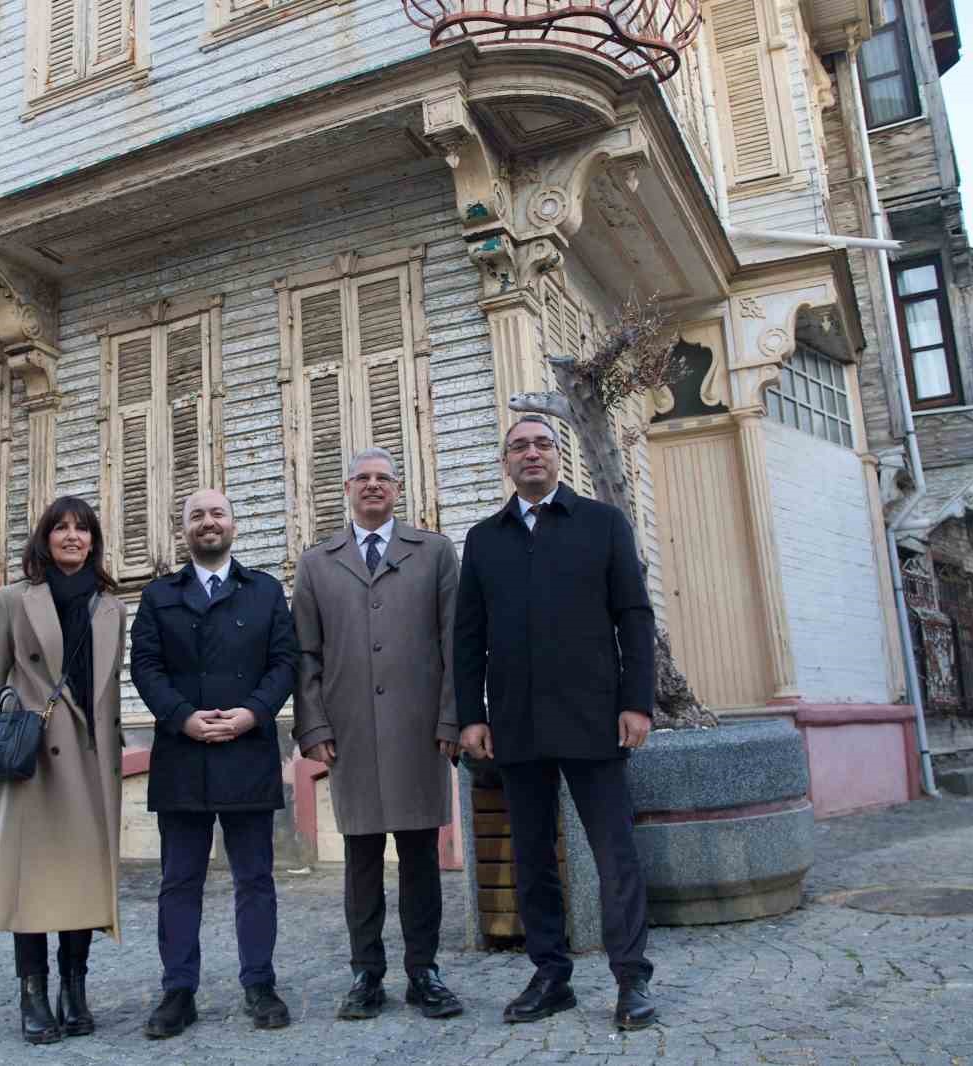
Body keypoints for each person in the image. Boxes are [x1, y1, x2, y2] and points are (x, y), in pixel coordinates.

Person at [453, 413, 658, 1031]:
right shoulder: (484, 539)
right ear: (506, 463)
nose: (532, 453)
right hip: (516, 724)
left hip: (595, 718)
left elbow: (635, 617)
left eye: (542, 443)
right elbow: (468, 637)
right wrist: (471, 717)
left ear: (558, 455)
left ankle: (631, 980)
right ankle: (551, 976)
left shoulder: (602, 523)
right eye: (519, 446)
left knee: (614, 852)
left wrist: (638, 702)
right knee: (532, 856)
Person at [292, 448, 464, 1021]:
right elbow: (305, 653)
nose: (372, 486)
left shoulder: (435, 553)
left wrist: (451, 720)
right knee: (361, 860)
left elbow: (454, 644)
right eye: (362, 479)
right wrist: (312, 725)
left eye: (383, 479)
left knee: (419, 859)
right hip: (350, 735)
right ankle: (366, 974)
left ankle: (425, 972)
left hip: (420, 732)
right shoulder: (317, 563)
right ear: (346, 489)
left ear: (398, 489)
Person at [130, 488, 299, 1038]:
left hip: (247, 750)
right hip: (183, 753)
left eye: (218, 513)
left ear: (233, 524)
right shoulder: (159, 596)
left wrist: (253, 714)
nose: (208, 522)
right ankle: (178, 990)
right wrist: (182, 717)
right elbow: (146, 666)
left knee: (255, 878)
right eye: (197, 515)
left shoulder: (266, 591)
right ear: (184, 530)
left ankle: (260, 983)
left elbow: (284, 662)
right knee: (180, 880)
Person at [0, 495, 126, 1046]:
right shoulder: (14, 599)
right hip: (36, 761)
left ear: (93, 540)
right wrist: (18, 735)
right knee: (32, 880)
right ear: (44, 538)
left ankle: (75, 989)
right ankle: (33, 996)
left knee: (82, 878)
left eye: (82, 528)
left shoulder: (111, 605)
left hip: (91, 759)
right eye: (61, 528)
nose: (72, 537)